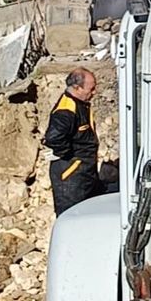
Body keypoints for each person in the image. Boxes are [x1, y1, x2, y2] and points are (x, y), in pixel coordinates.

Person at [44, 67, 103, 214]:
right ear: (77, 88)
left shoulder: (80, 103)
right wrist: (68, 154)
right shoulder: (66, 111)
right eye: (91, 89)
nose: (94, 92)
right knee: (71, 215)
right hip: (71, 176)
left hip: (84, 172)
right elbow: (53, 138)